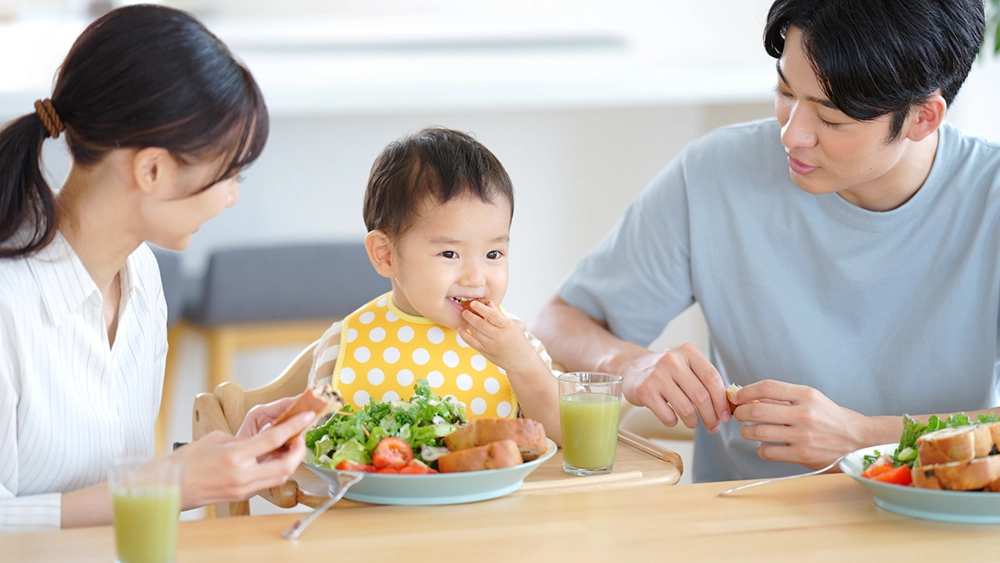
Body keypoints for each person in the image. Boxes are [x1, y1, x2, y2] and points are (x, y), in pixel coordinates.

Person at [532, 0, 1000, 482]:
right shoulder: (716, 173)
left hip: (940, 516)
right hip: (742, 515)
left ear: (923, 117)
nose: (792, 135)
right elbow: (556, 322)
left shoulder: (991, 198)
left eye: (831, 118)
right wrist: (629, 363)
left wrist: (864, 437)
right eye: (785, 91)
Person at [0, 5, 316, 533]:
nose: (232, 197)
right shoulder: (9, 302)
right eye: (230, 173)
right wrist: (174, 483)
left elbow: (114, 490)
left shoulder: (141, 276)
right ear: (152, 170)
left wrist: (217, 465)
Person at [307, 127, 561, 443]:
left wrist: (522, 365)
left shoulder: (516, 344)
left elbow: (565, 435)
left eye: (493, 254)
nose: (475, 278)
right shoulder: (342, 344)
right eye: (449, 253)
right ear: (386, 255)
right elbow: (314, 451)